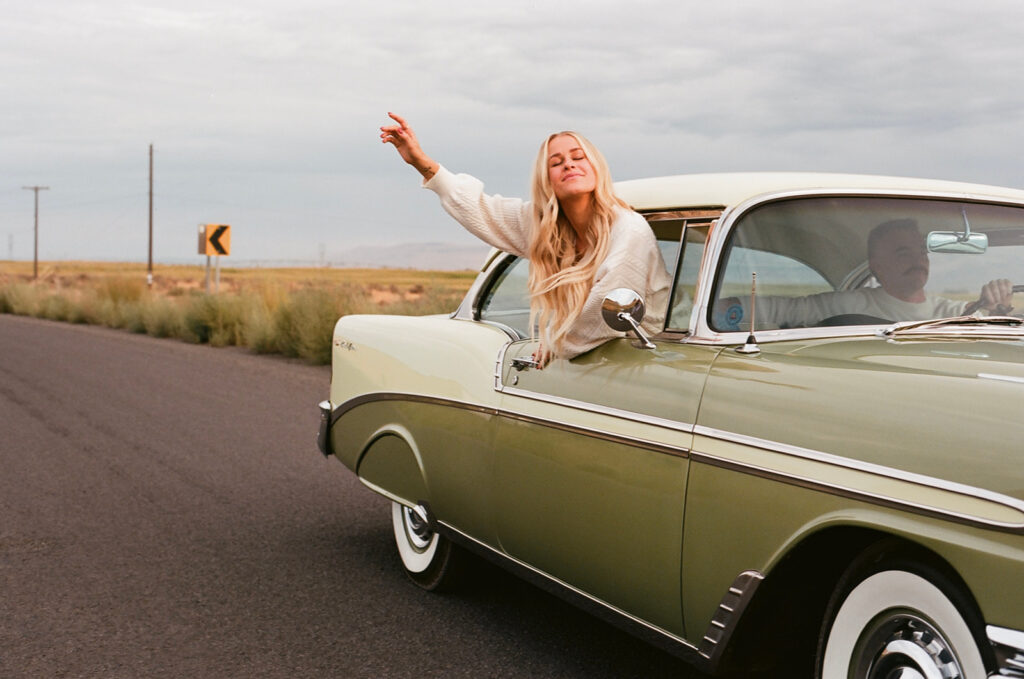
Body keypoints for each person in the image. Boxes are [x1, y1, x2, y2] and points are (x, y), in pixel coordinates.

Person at [380, 112, 671, 364]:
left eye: (578, 157)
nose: (569, 165)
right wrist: (420, 161)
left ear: (597, 167)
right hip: (599, 361)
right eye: (556, 163)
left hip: (651, 353)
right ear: (547, 180)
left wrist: (556, 343)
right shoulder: (545, 228)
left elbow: (603, 310)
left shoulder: (628, 229)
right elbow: (482, 210)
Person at [714, 218, 1013, 330]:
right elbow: (784, 310)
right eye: (902, 252)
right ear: (876, 267)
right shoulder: (849, 305)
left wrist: (993, 307)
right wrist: (717, 310)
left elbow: (977, 328)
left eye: (921, 251)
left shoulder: (954, 312)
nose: (918, 259)